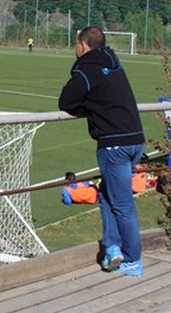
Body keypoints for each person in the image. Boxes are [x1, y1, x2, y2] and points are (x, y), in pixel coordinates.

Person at [58, 26, 145, 277]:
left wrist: (86, 106)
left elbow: (66, 101)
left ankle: (132, 259)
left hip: (114, 143)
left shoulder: (87, 67)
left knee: (122, 204)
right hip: (135, 140)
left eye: (76, 44)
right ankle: (112, 246)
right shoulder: (112, 61)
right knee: (107, 195)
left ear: (83, 45)